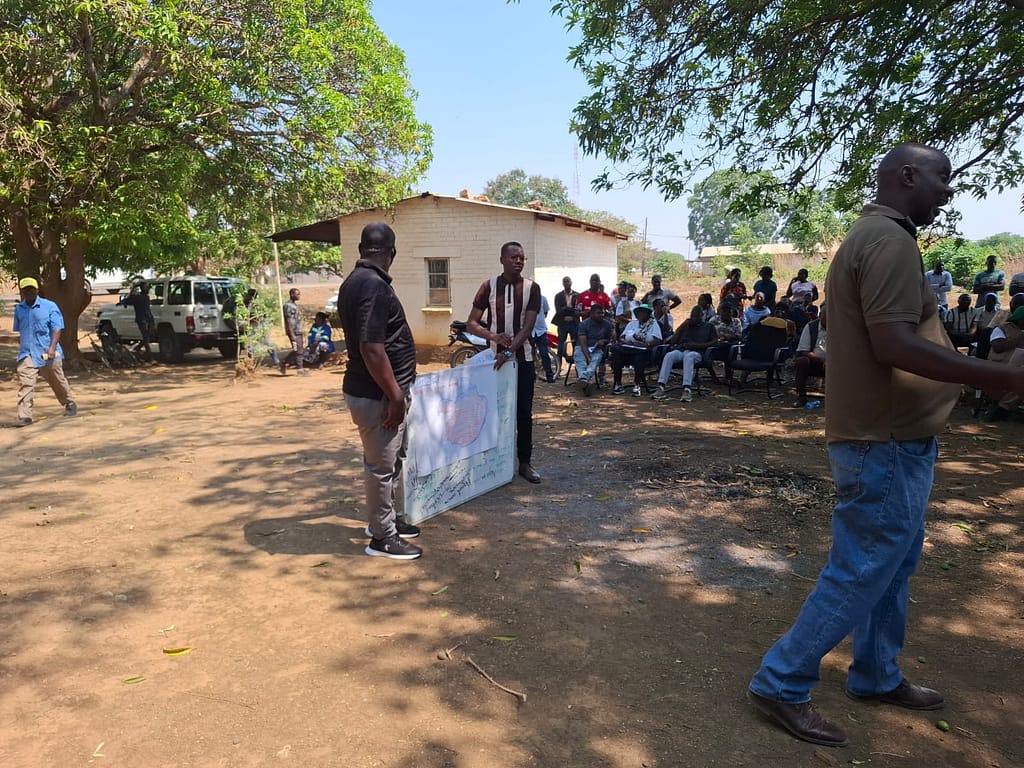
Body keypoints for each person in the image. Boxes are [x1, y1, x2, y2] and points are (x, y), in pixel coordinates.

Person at [747, 143, 1024, 748]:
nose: (947, 191)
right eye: (941, 178)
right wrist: (998, 377)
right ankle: (781, 680)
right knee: (865, 565)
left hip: (891, 435)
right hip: (885, 439)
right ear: (907, 176)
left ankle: (875, 673)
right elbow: (893, 343)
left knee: (893, 562)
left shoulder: (870, 236)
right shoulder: (890, 240)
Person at [337, 223, 422, 560]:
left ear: (361, 249)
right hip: (379, 397)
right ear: (392, 253)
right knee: (381, 467)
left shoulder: (354, 282)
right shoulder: (372, 286)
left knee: (391, 460)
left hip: (379, 393)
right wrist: (396, 396)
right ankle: (381, 538)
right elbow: (372, 348)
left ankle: (387, 521)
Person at [468, 242, 543, 484]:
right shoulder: (488, 286)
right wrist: (493, 337)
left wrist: (509, 351)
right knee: (492, 412)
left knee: (523, 413)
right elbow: (472, 323)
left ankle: (524, 463)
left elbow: (528, 326)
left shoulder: (532, 288)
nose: (518, 261)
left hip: (523, 361)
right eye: (513, 257)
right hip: (493, 362)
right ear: (502, 259)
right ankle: (492, 464)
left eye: (522, 257)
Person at [13, 277, 77, 426]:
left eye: (31, 289)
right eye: (26, 289)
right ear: (22, 292)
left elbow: (57, 328)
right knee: (26, 384)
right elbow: (20, 331)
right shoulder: (19, 309)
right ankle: (25, 416)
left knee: (57, 381)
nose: (29, 292)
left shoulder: (49, 306)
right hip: (27, 353)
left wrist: (53, 347)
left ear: (37, 290)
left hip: (47, 352)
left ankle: (69, 402)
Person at [651, 305, 717, 403]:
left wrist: (697, 345)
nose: (694, 318)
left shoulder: (709, 326)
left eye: (696, 316)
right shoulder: (686, 325)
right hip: (682, 350)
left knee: (689, 357)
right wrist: (681, 327)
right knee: (669, 356)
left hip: (698, 352)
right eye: (692, 316)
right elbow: (673, 341)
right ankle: (661, 387)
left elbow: (715, 342)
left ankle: (687, 389)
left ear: (702, 316)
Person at [609, 303, 662, 396]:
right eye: (640, 313)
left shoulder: (653, 324)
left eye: (644, 313)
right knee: (616, 353)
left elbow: (658, 340)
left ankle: (637, 385)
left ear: (648, 314)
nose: (641, 315)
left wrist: (646, 344)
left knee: (639, 356)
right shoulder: (632, 324)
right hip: (628, 349)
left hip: (644, 351)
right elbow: (621, 337)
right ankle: (618, 384)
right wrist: (625, 342)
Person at [573, 303, 614, 395]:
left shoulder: (607, 324)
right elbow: (583, 343)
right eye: (598, 313)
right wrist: (587, 356)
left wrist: (604, 341)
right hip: (582, 348)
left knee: (595, 361)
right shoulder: (584, 324)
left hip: (597, 349)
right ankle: (585, 382)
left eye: (602, 313)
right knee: (581, 362)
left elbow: (609, 339)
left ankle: (584, 380)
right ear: (591, 314)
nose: (601, 315)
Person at [791, 305, 826, 407]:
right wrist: (822, 360)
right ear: (820, 315)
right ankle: (801, 397)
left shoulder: (840, 327)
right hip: (815, 362)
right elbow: (804, 351)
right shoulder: (811, 327)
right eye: (826, 316)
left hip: (836, 362)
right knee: (802, 361)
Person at [124, 281, 155, 361]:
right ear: (142, 288)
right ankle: (150, 357)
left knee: (146, 338)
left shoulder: (140, 297)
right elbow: (127, 301)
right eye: (146, 287)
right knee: (146, 338)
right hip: (143, 320)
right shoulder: (140, 297)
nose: (148, 289)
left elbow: (126, 301)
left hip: (145, 319)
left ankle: (139, 350)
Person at [553, 276, 580, 364]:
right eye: (564, 282)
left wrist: (566, 309)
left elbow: (578, 310)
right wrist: (571, 310)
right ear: (562, 283)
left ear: (571, 283)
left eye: (568, 281)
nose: (566, 283)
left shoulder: (577, 295)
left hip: (574, 323)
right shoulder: (558, 296)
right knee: (560, 346)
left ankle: (577, 367)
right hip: (562, 323)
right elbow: (558, 310)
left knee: (575, 345)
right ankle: (559, 367)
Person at [280, 288, 307, 376]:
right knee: (298, 350)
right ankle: (300, 369)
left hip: (298, 330)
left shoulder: (294, 305)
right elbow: (288, 321)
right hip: (294, 331)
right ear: (292, 294)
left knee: (298, 350)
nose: (299, 296)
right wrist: (292, 334)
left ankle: (284, 362)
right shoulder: (288, 306)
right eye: (297, 294)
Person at [532, 292, 556, 382]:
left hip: (541, 330)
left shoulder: (543, 299)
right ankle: (532, 376)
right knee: (530, 355)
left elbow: (545, 312)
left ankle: (550, 376)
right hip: (529, 331)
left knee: (544, 354)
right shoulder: (526, 299)